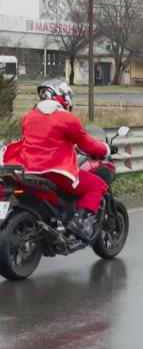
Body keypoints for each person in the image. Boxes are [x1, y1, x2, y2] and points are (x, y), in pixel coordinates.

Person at [1, 81, 111, 242]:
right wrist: (106, 149)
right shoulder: (68, 119)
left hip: (27, 170)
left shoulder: (28, 117)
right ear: (64, 98)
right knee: (98, 185)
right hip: (56, 173)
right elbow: (86, 144)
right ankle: (78, 222)